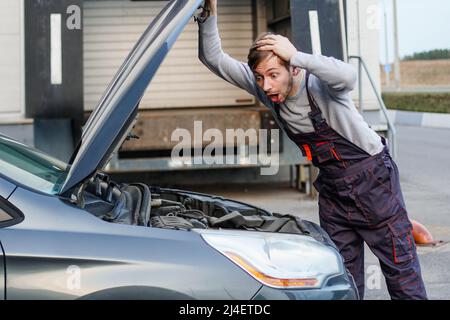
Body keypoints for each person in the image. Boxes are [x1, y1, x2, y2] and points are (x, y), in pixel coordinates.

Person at [196, 0, 427, 300]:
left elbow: (348, 76)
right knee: (341, 278)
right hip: (333, 193)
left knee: (401, 272)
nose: (265, 86)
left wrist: (297, 55)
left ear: (292, 68)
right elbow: (213, 58)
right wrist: (208, 17)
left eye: (273, 75)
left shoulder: (320, 85)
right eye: (259, 77)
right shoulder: (268, 90)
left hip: (375, 186)